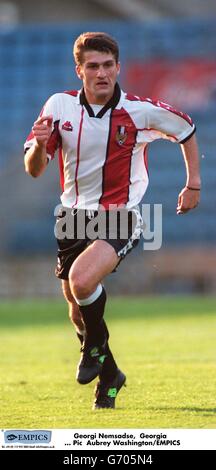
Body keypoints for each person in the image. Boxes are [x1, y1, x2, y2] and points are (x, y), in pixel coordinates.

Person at [24, 31, 201, 410]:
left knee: (82, 280)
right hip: (72, 219)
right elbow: (34, 169)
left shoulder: (139, 111)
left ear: (118, 67)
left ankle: (93, 352)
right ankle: (109, 375)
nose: (101, 73)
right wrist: (40, 144)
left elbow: (186, 128)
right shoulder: (58, 106)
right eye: (93, 66)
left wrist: (194, 185)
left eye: (108, 65)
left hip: (120, 216)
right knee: (76, 307)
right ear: (79, 70)